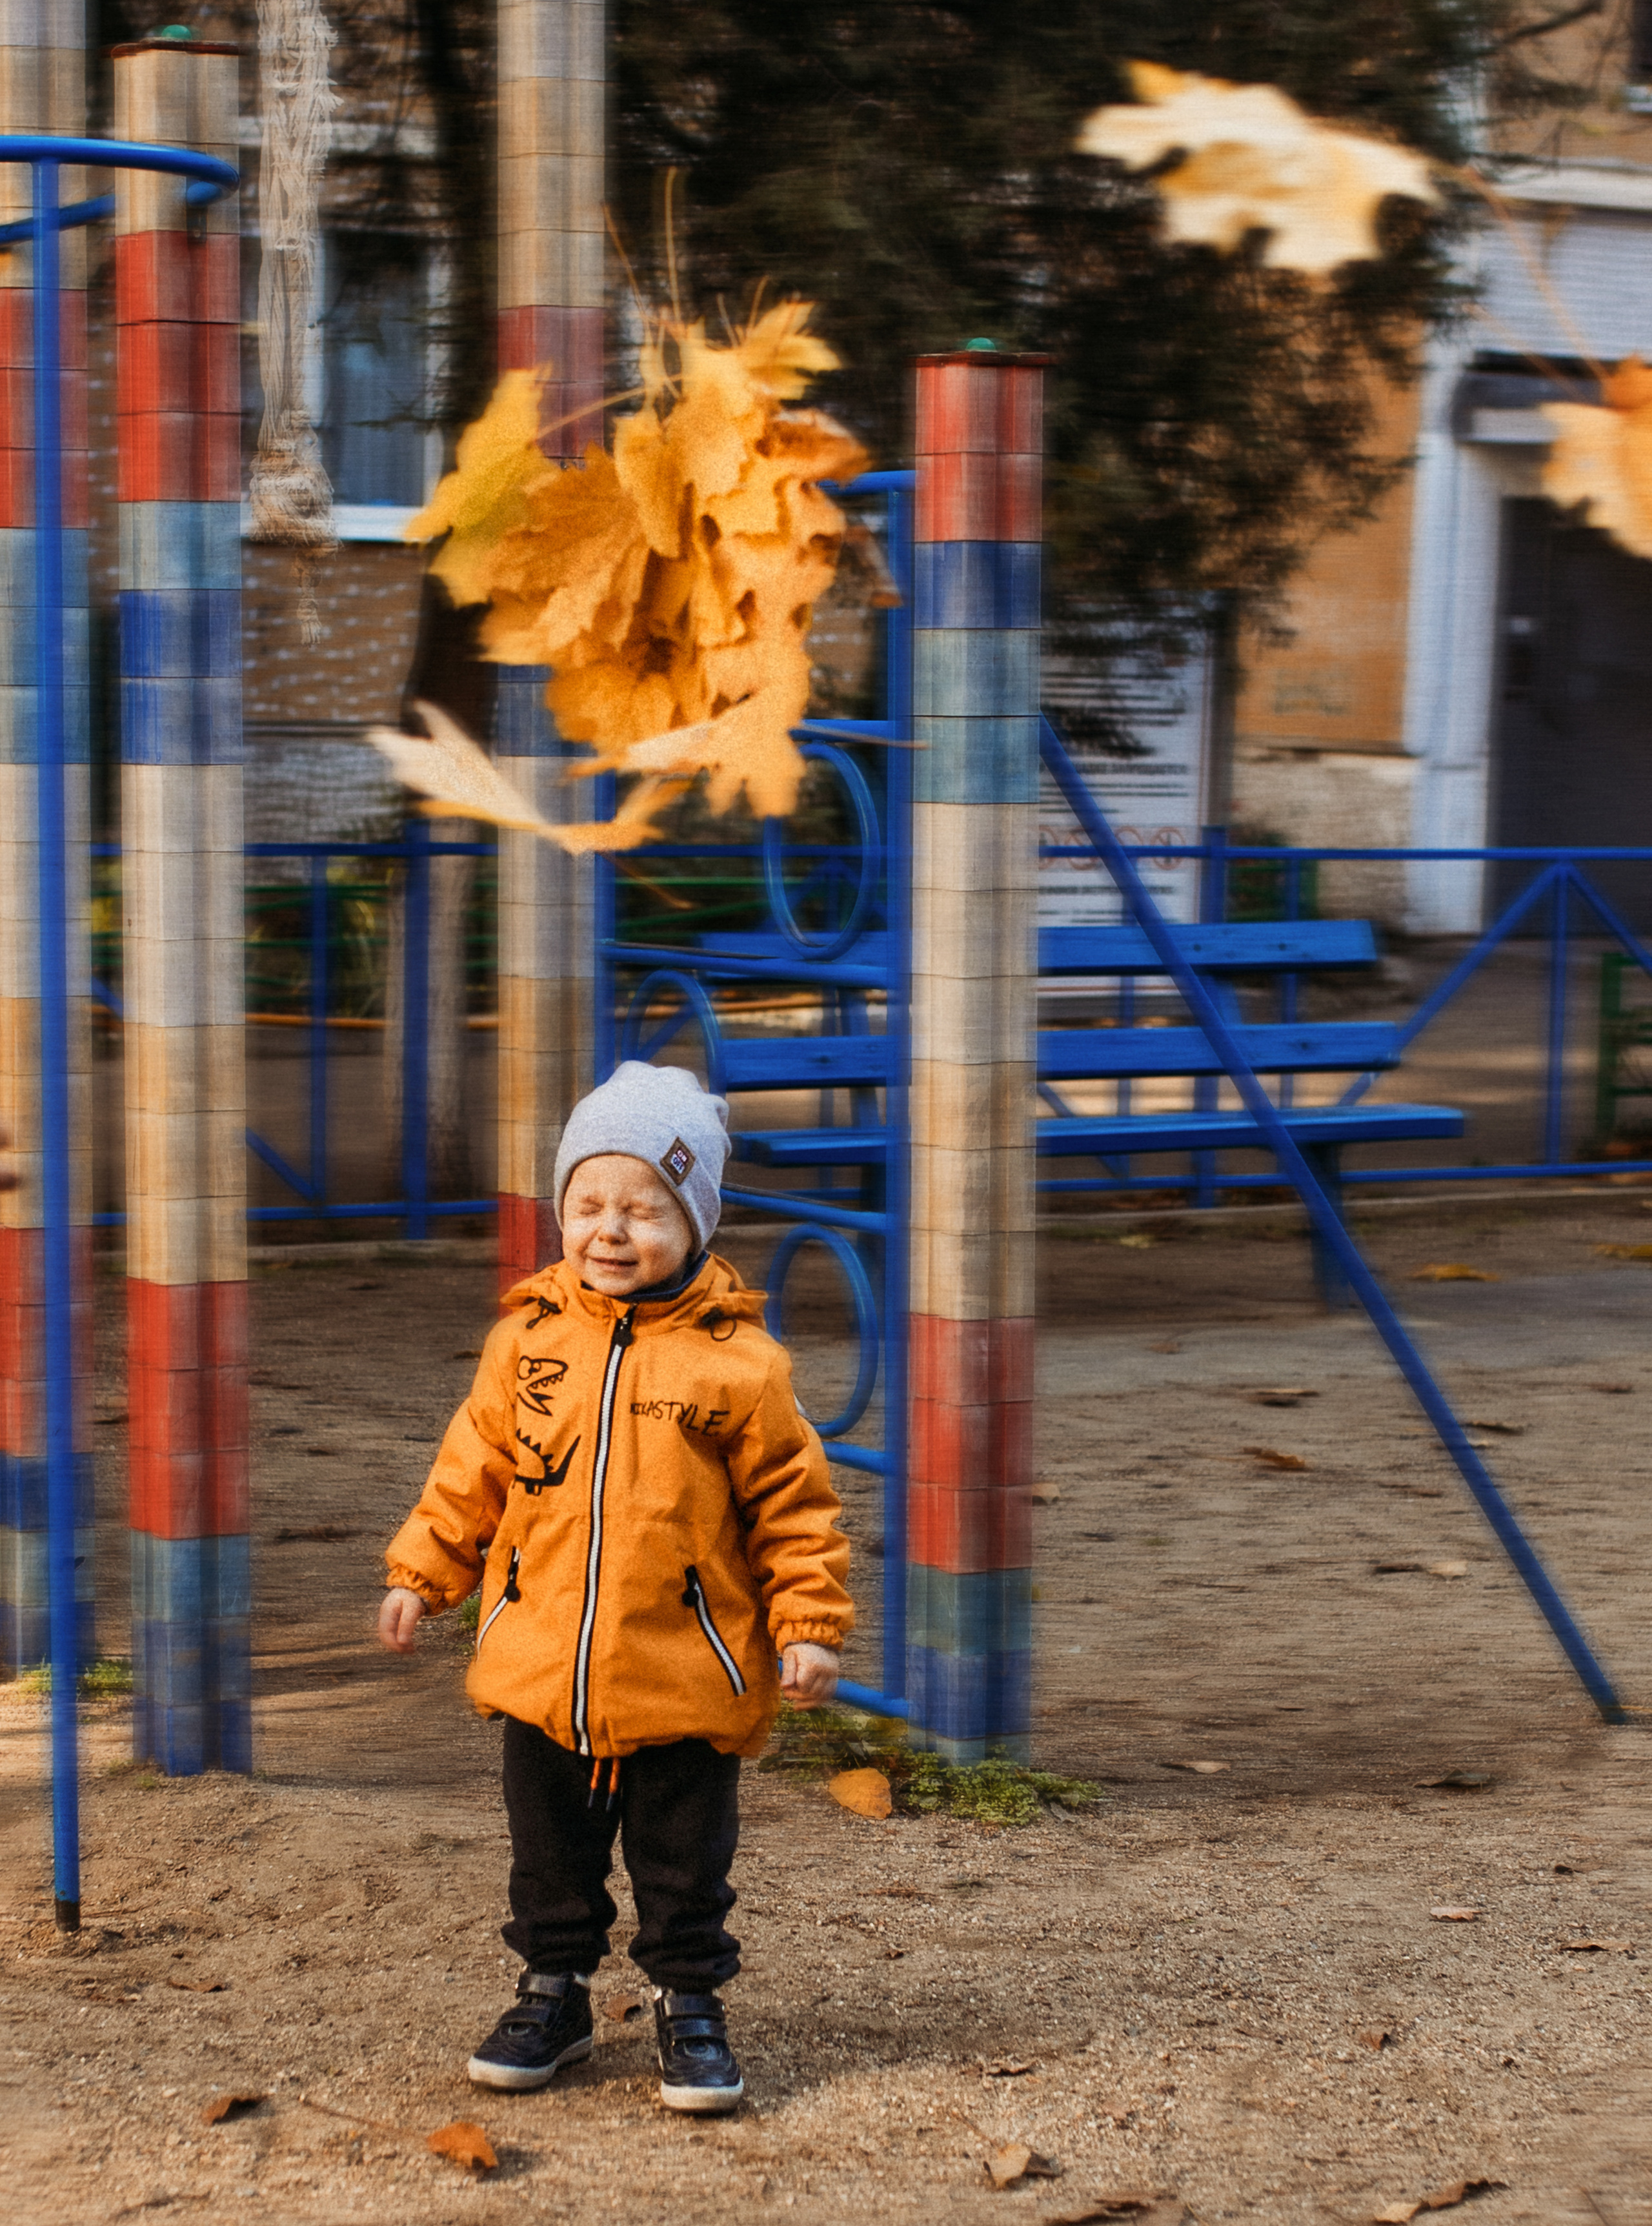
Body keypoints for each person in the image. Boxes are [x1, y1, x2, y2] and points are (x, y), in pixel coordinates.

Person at [378, 1062, 852, 2113]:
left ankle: (691, 2004)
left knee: (684, 1862)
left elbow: (795, 1507)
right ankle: (553, 1993)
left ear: (695, 1221)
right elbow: (472, 1469)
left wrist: (808, 1624)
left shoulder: (742, 1365)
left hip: (685, 1670)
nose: (610, 1229)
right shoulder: (527, 1343)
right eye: (587, 1203)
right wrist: (424, 1570)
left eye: (644, 1209)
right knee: (549, 1855)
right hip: (542, 1660)